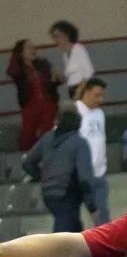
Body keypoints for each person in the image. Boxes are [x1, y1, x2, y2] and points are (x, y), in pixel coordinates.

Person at [22, 105, 97, 233]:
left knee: (73, 228)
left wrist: (42, 176)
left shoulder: (47, 138)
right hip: (68, 192)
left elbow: (27, 162)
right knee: (63, 232)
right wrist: (92, 207)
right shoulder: (79, 143)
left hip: (48, 192)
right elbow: (84, 178)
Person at [7, 39, 60, 151]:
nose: (33, 50)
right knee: (28, 136)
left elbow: (54, 81)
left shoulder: (43, 65)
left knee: (48, 133)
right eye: (29, 48)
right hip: (30, 106)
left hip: (47, 104)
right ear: (21, 52)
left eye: (34, 47)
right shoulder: (18, 69)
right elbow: (13, 72)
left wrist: (57, 79)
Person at [75, 78, 109, 226]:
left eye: (102, 96)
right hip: (81, 174)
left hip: (99, 173)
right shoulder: (75, 111)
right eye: (96, 95)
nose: (100, 100)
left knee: (103, 215)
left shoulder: (100, 114)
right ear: (86, 92)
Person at [50, 20, 95, 100]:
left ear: (67, 35)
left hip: (84, 91)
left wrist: (79, 91)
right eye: (54, 37)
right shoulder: (65, 56)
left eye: (57, 36)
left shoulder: (78, 49)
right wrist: (58, 76)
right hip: (73, 91)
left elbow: (89, 72)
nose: (55, 40)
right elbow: (70, 78)